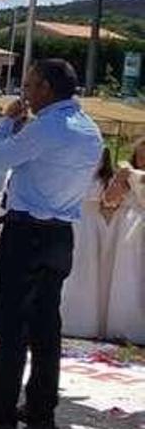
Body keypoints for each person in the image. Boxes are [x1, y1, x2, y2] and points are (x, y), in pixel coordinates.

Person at [0, 59, 103, 429]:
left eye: (29, 86)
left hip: (27, 231)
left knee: (9, 325)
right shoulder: (90, 130)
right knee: (46, 327)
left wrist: (6, 123)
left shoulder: (47, 128)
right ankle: (41, 408)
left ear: (45, 89)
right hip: (60, 233)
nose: (25, 93)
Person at [60, 148, 115, 339]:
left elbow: (108, 203)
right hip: (76, 220)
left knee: (89, 267)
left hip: (91, 224)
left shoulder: (105, 179)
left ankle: (86, 317)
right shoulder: (78, 172)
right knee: (72, 266)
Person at [103, 140, 145, 344]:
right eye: (140, 157)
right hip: (124, 227)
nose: (143, 161)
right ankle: (121, 325)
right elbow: (109, 201)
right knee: (124, 274)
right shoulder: (127, 174)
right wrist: (119, 181)